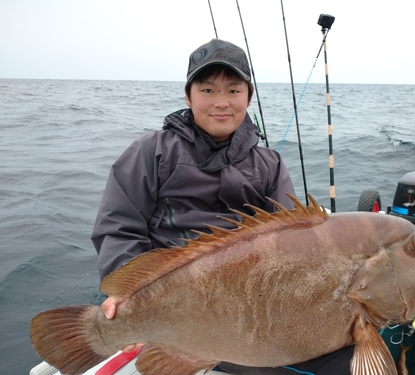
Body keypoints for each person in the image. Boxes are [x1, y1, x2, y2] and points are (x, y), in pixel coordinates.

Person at [91, 38, 353, 375]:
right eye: (208, 90)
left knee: (353, 361)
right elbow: (119, 227)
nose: (221, 103)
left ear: (248, 96)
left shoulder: (269, 164)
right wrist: (127, 293)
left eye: (233, 90)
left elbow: (294, 245)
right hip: (175, 304)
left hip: (256, 308)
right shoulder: (150, 152)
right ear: (188, 95)